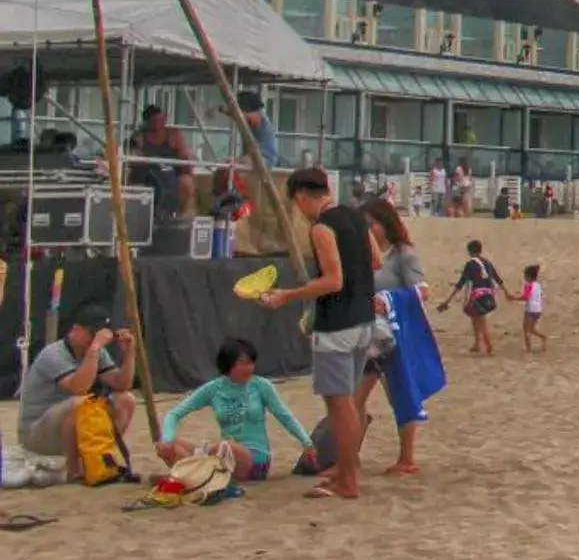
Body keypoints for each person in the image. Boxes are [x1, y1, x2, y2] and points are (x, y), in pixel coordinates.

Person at [257, 167, 378, 500]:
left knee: (340, 408)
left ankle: (347, 482)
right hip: (364, 320)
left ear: (300, 197)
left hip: (336, 324)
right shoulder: (356, 217)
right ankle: (344, 473)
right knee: (349, 405)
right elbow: (377, 261)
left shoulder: (322, 227)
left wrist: (287, 295)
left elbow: (333, 280)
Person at [155, 337, 315, 482]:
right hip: (222, 456)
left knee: (225, 447)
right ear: (229, 364)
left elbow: (285, 416)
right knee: (169, 445)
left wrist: (306, 442)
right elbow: (174, 414)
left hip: (253, 459)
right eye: (243, 363)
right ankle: (194, 475)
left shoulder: (261, 386)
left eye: (251, 363)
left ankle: (189, 473)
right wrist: (167, 439)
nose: (249, 368)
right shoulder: (214, 389)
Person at [360, 196, 428, 475]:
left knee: (400, 394)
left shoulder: (403, 254)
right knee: (354, 396)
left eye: (370, 225)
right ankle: (348, 455)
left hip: (396, 333)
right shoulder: (362, 254)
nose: (367, 231)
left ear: (384, 224)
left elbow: (422, 290)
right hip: (367, 334)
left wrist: (388, 299)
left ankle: (406, 458)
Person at [14, 311, 137, 462]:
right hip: (36, 432)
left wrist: (129, 352)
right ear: (76, 329)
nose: (94, 339)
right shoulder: (53, 354)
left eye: (99, 335)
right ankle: (75, 469)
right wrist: (95, 348)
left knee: (126, 400)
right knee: (82, 404)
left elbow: (122, 384)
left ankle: (100, 458)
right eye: (92, 333)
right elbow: (79, 388)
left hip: (67, 426)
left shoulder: (96, 351)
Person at [127, 104, 194, 216]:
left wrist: (188, 167)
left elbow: (185, 156)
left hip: (171, 174)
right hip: (149, 175)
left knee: (187, 182)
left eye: (162, 119)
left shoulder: (173, 134)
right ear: (148, 121)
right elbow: (133, 158)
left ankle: (180, 216)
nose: (159, 124)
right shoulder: (139, 136)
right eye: (156, 121)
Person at [439, 238, 502, 356]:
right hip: (488, 294)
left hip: (478, 297)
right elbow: (497, 279)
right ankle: (477, 343)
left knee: (481, 322)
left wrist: (447, 301)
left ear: (470, 251)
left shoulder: (470, 264)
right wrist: (507, 293)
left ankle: (489, 348)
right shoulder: (487, 263)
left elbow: (461, 283)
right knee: (474, 317)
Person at [509, 263, 548, 354]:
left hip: (530, 309)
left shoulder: (528, 285)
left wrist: (513, 298)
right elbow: (540, 295)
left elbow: (525, 297)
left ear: (528, 276)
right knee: (532, 329)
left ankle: (528, 349)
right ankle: (542, 338)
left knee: (526, 330)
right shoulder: (538, 285)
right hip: (538, 309)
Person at [236, 88, 278, 169]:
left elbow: (250, 118)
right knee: (230, 163)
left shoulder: (258, 114)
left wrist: (230, 111)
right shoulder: (251, 117)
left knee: (239, 166)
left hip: (265, 157)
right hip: (255, 155)